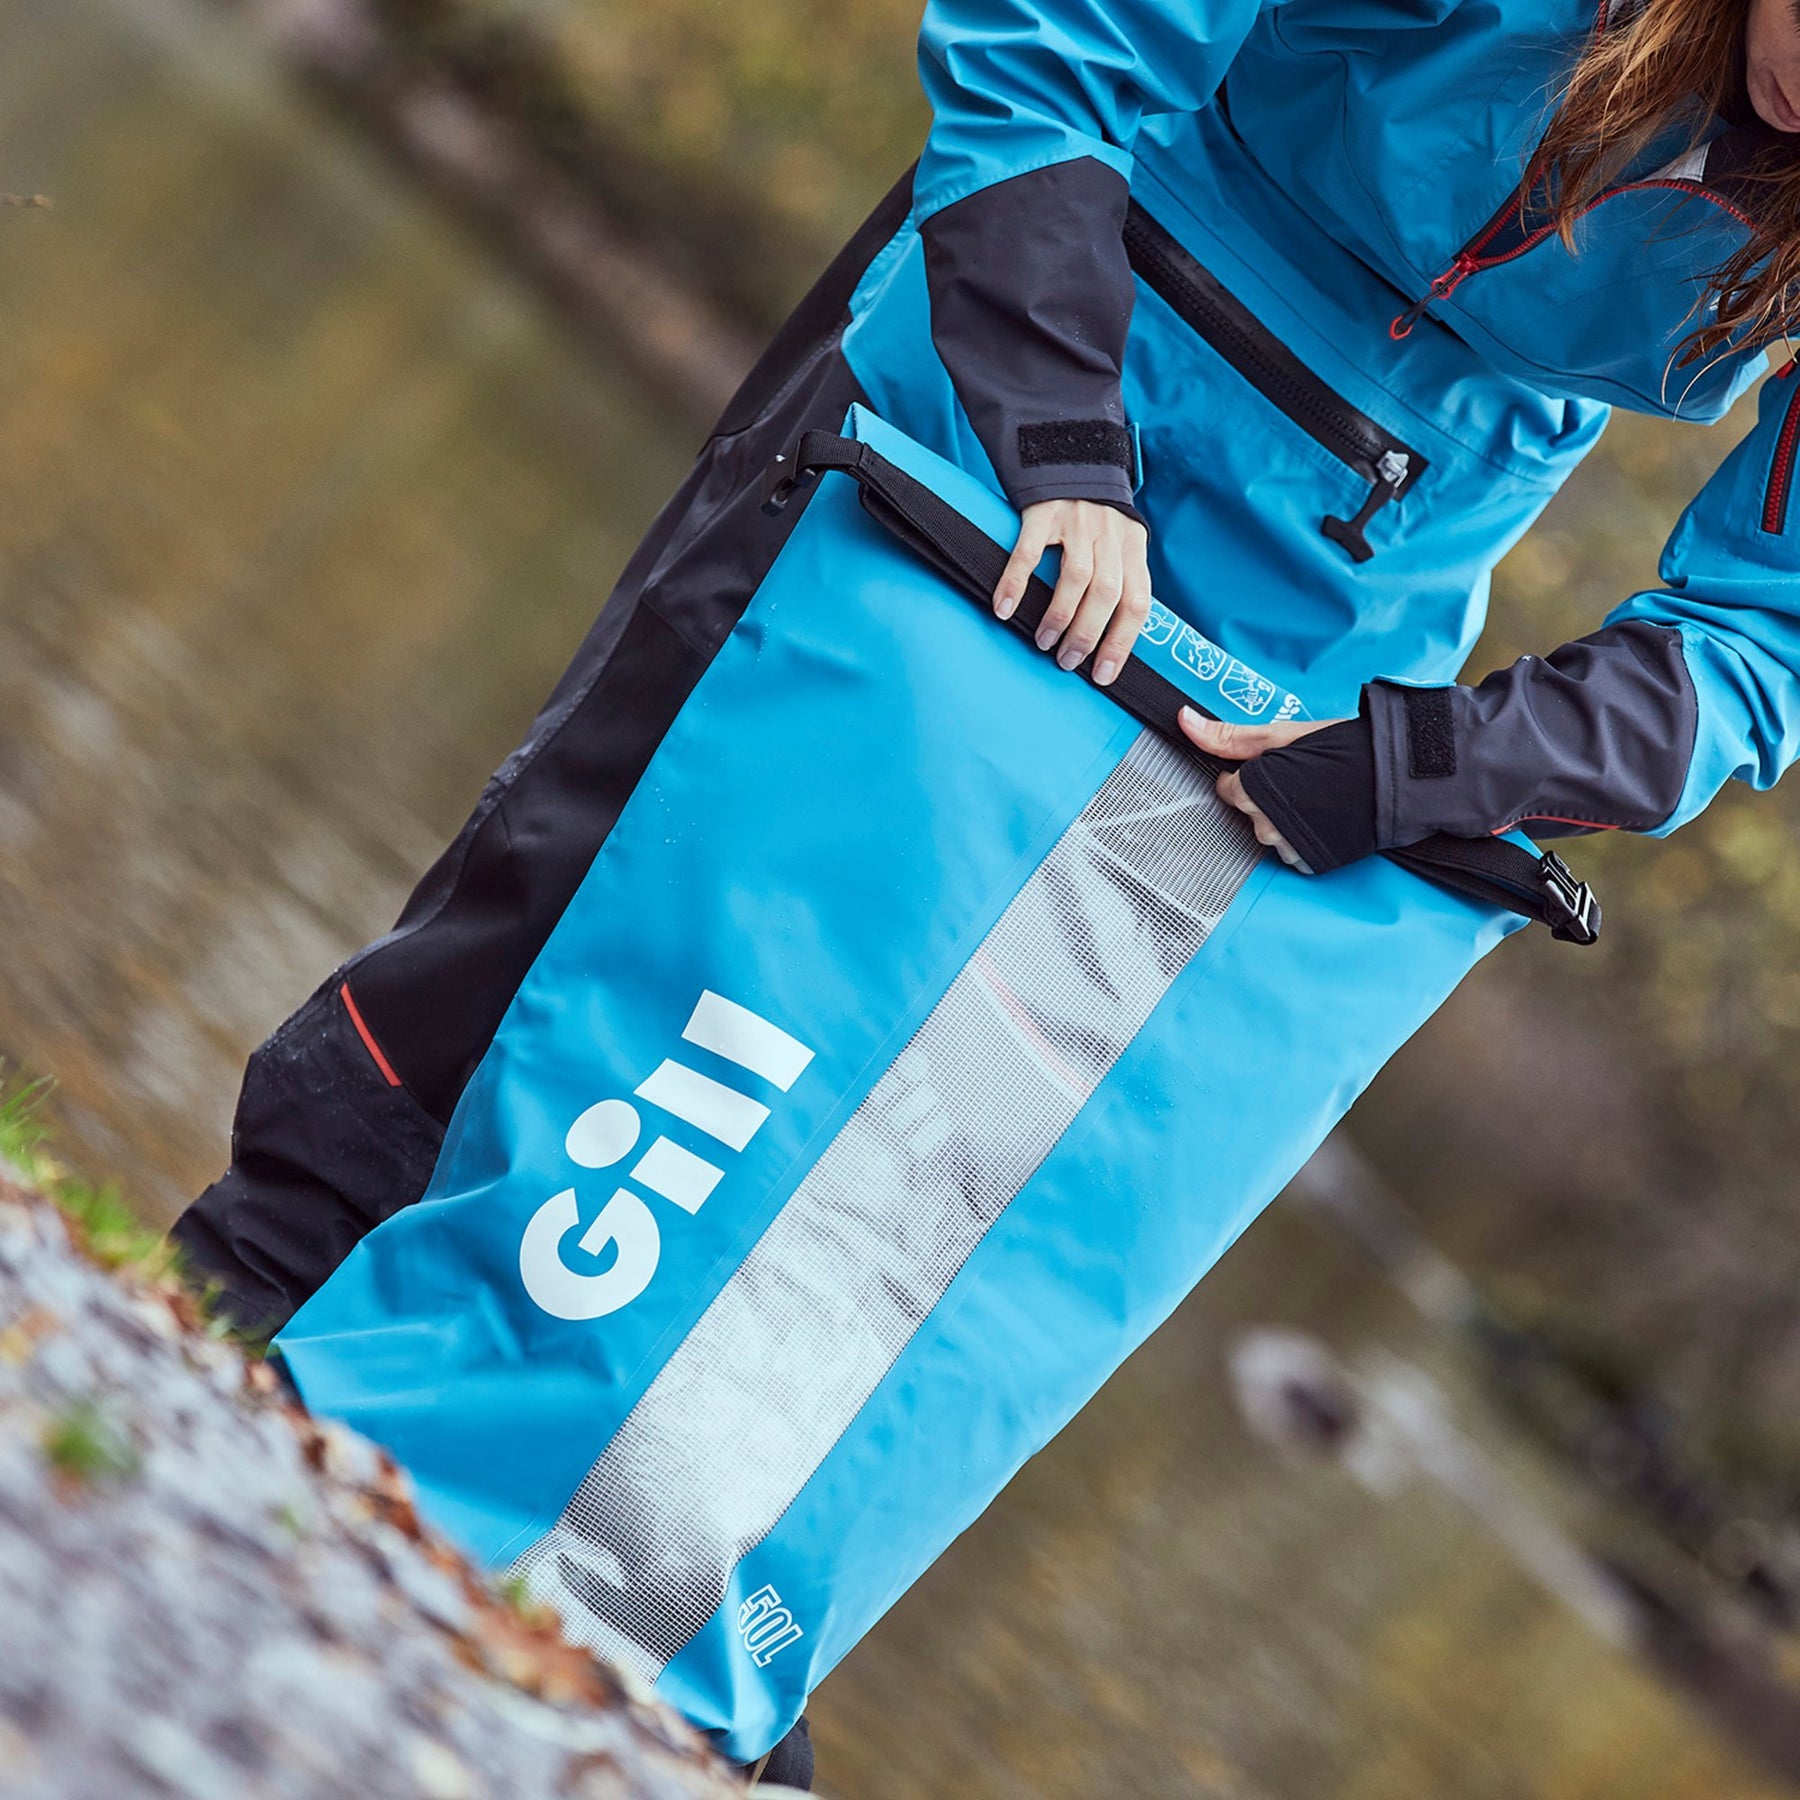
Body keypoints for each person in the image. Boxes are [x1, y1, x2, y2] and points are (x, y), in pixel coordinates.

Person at [175, 0, 1800, 1784]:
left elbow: (1761, 641)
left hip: (1329, 635)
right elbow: (1048, 41)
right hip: (1014, 372)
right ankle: (251, 1301)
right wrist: (1062, 443)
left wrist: (1427, 764)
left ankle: (663, 1594)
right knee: (611, 895)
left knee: (959, 1142)